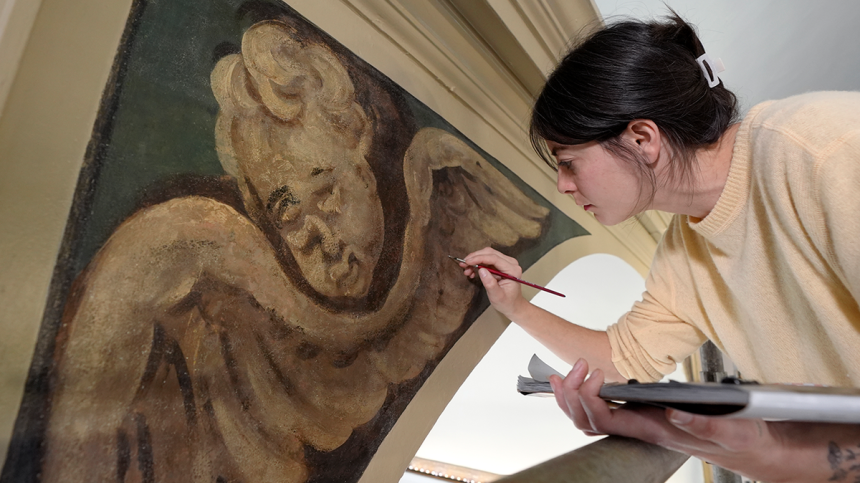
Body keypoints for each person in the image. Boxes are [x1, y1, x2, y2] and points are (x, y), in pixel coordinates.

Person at [40, 19, 552, 483]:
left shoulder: (427, 188)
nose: (321, 239)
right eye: (287, 218)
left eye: (327, 194)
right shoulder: (217, 275)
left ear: (364, 156)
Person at [460, 12, 860, 483]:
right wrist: (516, 306)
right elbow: (623, 359)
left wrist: (767, 454)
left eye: (569, 163)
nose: (562, 185)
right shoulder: (682, 250)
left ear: (642, 139)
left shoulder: (826, 151)